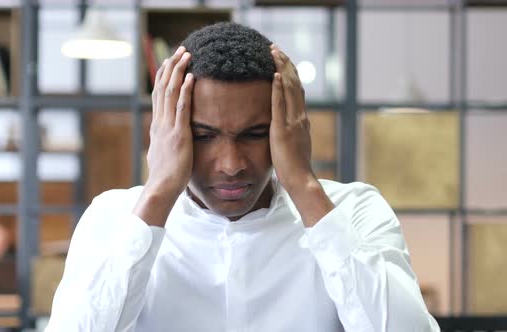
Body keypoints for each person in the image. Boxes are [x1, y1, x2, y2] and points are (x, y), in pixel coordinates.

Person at [46, 22, 440, 331]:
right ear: (168, 131)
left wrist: (303, 184)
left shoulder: (355, 211)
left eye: (255, 134)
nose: (231, 164)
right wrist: (159, 192)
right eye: (204, 136)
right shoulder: (113, 217)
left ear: (290, 128)